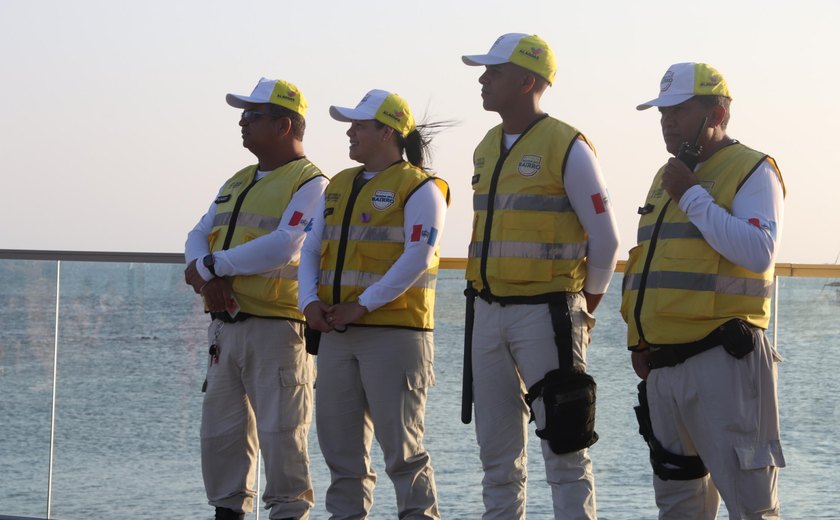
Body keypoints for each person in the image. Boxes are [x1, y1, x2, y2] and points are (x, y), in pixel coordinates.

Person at [461, 33, 620, 519]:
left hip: (549, 315)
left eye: (495, 72)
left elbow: (606, 239)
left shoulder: (567, 146)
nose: (483, 80)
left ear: (527, 80)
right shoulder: (486, 145)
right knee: (496, 455)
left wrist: (584, 305)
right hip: (486, 313)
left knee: (565, 450)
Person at [623, 62, 786, 519]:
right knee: (678, 505)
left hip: (725, 361)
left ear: (717, 113)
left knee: (750, 503)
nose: (666, 121)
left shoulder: (752, 169)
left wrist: (693, 196)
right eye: (662, 112)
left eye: (679, 109)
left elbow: (759, 251)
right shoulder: (666, 176)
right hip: (664, 366)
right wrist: (640, 340)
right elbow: (651, 266)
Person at [298, 89, 449, 519]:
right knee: (340, 453)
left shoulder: (421, 188)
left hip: (395, 336)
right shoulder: (340, 183)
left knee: (402, 451)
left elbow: (418, 258)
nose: (350, 132)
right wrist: (308, 301)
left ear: (387, 132)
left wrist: (361, 305)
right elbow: (311, 249)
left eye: (359, 125)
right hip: (336, 334)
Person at [184, 77, 328, 520]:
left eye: (252, 117)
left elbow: (286, 245)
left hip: (278, 330)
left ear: (284, 125)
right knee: (222, 436)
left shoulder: (311, 183)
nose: (242, 124)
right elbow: (196, 234)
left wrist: (210, 268)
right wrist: (206, 275)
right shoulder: (238, 179)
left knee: (283, 438)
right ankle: (228, 512)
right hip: (226, 329)